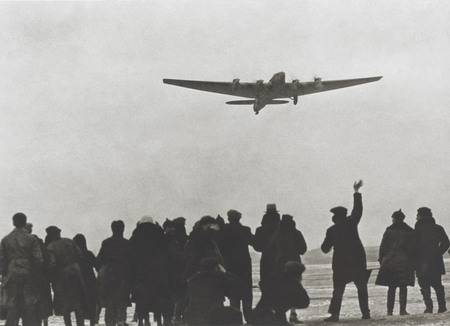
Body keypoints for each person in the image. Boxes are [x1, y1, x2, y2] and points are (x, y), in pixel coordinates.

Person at [321, 180, 370, 322]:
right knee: (362, 288)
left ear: (334, 217)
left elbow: (325, 249)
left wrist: (331, 245)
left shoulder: (331, 230)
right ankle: (366, 313)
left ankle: (334, 315)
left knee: (338, 289)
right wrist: (356, 192)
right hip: (357, 261)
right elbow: (358, 209)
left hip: (340, 264)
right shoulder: (351, 223)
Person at [0, 213, 43, 326]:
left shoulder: (5, 240)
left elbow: (2, 261)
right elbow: (38, 259)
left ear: (13, 222)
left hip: (11, 274)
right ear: (25, 222)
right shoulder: (31, 239)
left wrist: (5, 274)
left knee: (12, 306)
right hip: (28, 274)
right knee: (29, 307)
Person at [129, 216, 171, 326]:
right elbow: (166, 250)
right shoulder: (159, 233)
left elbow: (131, 253)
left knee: (142, 299)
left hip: (140, 273)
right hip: (158, 271)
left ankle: (144, 320)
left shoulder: (136, 234)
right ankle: (160, 322)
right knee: (159, 297)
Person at [215, 209, 254, 323]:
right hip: (245, 266)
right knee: (247, 294)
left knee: (234, 294)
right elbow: (255, 243)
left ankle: (236, 320)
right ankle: (249, 319)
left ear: (228, 218)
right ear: (239, 218)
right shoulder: (245, 230)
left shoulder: (223, 231)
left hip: (230, 266)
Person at [266, 214, 307, 323]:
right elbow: (303, 249)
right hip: (294, 266)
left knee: (281, 290)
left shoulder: (277, 234)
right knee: (294, 288)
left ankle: (281, 315)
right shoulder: (297, 233)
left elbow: (269, 247)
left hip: (280, 265)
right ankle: (293, 315)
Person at [375, 209, 416, 316]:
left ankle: (390, 311)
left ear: (396, 218)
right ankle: (402, 310)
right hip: (404, 261)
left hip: (390, 261)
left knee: (391, 287)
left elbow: (382, 247)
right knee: (403, 287)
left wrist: (381, 260)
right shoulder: (410, 231)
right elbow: (413, 248)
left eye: (393, 218)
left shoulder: (389, 230)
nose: (392, 220)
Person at [46, 226, 86, 326]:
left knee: (65, 304)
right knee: (78, 302)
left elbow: (53, 264)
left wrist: (51, 276)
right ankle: (81, 324)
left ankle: (68, 324)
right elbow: (80, 255)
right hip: (76, 272)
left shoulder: (50, 247)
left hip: (62, 275)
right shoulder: (69, 241)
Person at [97, 220, 134, 326]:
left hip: (109, 279)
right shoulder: (127, 244)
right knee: (121, 306)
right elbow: (133, 262)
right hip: (124, 279)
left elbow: (99, 261)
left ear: (112, 229)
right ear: (123, 229)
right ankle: (121, 322)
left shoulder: (106, 243)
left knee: (110, 306)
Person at [184, 257, 241, 325]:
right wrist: (225, 273)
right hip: (211, 316)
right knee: (237, 314)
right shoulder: (219, 279)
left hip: (192, 317)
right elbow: (237, 288)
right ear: (216, 268)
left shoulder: (191, 280)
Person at [414, 207, 450, 313]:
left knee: (424, 285)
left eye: (418, 215)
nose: (416, 217)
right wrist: (438, 253)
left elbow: (412, 246)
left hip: (421, 261)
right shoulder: (438, 228)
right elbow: (446, 243)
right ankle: (442, 307)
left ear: (422, 216)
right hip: (435, 260)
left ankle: (429, 308)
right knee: (437, 285)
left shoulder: (417, 230)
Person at [24, 223, 53, 326]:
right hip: (40, 277)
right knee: (42, 302)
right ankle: (44, 323)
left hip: (27, 277)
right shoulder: (39, 242)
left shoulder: (21, 243)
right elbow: (46, 259)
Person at [183, 216, 224, 281]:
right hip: (197, 263)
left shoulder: (203, 233)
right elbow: (202, 242)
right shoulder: (197, 233)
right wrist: (211, 231)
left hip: (201, 262)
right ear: (207, 224)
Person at [73, 234, 98, 326]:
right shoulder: (89, 254)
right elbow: (97, 265)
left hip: (78, 283)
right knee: (92, 305)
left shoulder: (74, 256)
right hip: (91, 281)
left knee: (80, 307)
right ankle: (92, 323)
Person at [253, 204, 280, 283]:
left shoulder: (260, 230)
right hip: (280, 260)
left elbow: (256, 247)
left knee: (266, 284)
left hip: (266, 259)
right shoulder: (282, 229)